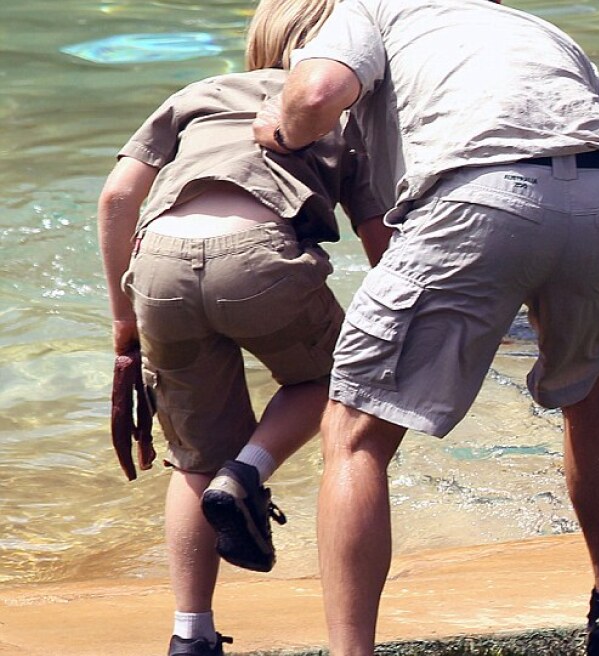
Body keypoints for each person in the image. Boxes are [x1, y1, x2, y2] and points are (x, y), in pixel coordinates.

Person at [251, 1, 599, 654]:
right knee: (590, 394)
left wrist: (283, 130)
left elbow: (318, 91)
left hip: (475, 197)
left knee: (354, 433)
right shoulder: (541, 34)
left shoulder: (369, 8)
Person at [96, 0, 393, 654]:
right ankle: (250, 473)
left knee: (193, 459)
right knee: (340, 381)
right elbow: (380, 245)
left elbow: (118, 197)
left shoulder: (199, 92)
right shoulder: (342, 119)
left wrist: (126, 324)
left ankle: (191, 635)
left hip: (158, 263)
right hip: (258, 257)